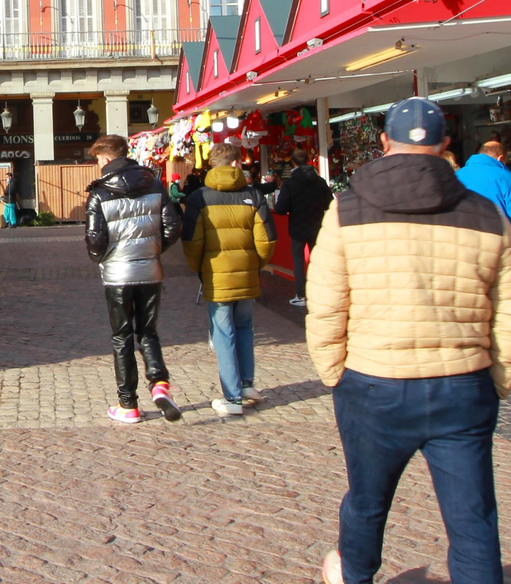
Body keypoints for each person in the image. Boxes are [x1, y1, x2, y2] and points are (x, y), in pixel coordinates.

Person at [303, 97, 511, 584]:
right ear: (444, 146)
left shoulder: (346, 208)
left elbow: (325, 301)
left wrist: (333, 371)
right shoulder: (484, 211)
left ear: (383, 143)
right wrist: (499, 379)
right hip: (460, 385)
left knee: (368, 496)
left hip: (375, 380)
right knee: (473, 530)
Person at [85, 134, 184, 425]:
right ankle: (159, 384)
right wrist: (155, 250)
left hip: (117, 273)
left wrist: (102, 258)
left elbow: (94, 240)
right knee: (149, 332)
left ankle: (128, 404)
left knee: (122, 337)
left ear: (104, 158)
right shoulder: (154, 183)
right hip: (150, 270)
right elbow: (172, 227)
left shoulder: (99, 192)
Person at [180, 141, 276, 417]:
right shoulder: (254, 195)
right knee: (245, 326)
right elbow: (267, 239)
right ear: (236, 163)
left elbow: (191, 241)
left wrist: (199, 269)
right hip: (247, 271)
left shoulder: (198, 198)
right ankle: (246, 384)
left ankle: (232, 397)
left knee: (223, 333)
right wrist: (256, 263)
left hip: (215, 273)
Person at [271, 147, 334, 309]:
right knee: (318, 261)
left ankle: (301, 295)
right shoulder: (320, 182)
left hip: (297, 227)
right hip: (317, 225)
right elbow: (330, 203)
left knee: (299, 262)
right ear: (308, 160)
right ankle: (321, 293)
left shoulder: (290, 183)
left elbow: (280, 209)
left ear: (293, 162)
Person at [458, 139, 511, 240]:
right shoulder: (504, 177)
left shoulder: (456, 175)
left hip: (462, 242)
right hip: (497, 243)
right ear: (501, 158)